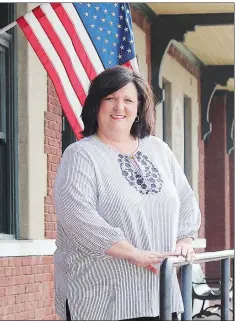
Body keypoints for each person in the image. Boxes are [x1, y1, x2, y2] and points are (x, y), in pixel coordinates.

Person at [53, 66, 201, 321]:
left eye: (128, 100)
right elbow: (76, 218)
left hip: (160, 295)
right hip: (103, 298)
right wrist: (132, 253)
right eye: (110, 98)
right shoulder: (81, 155)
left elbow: (185, 200)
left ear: (139, 108)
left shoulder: (158, 150)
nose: (119, 107)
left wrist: (185, 240)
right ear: (96, 105)